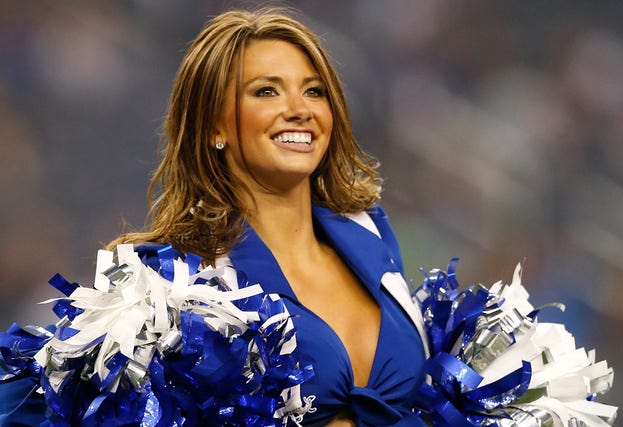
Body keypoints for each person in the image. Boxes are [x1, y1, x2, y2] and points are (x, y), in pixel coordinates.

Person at [0, 7, 429, 427]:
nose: (300, 108)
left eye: (314, 90)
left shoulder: (368, 232)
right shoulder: (175, 282)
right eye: (267, 91)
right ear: (214, 127)